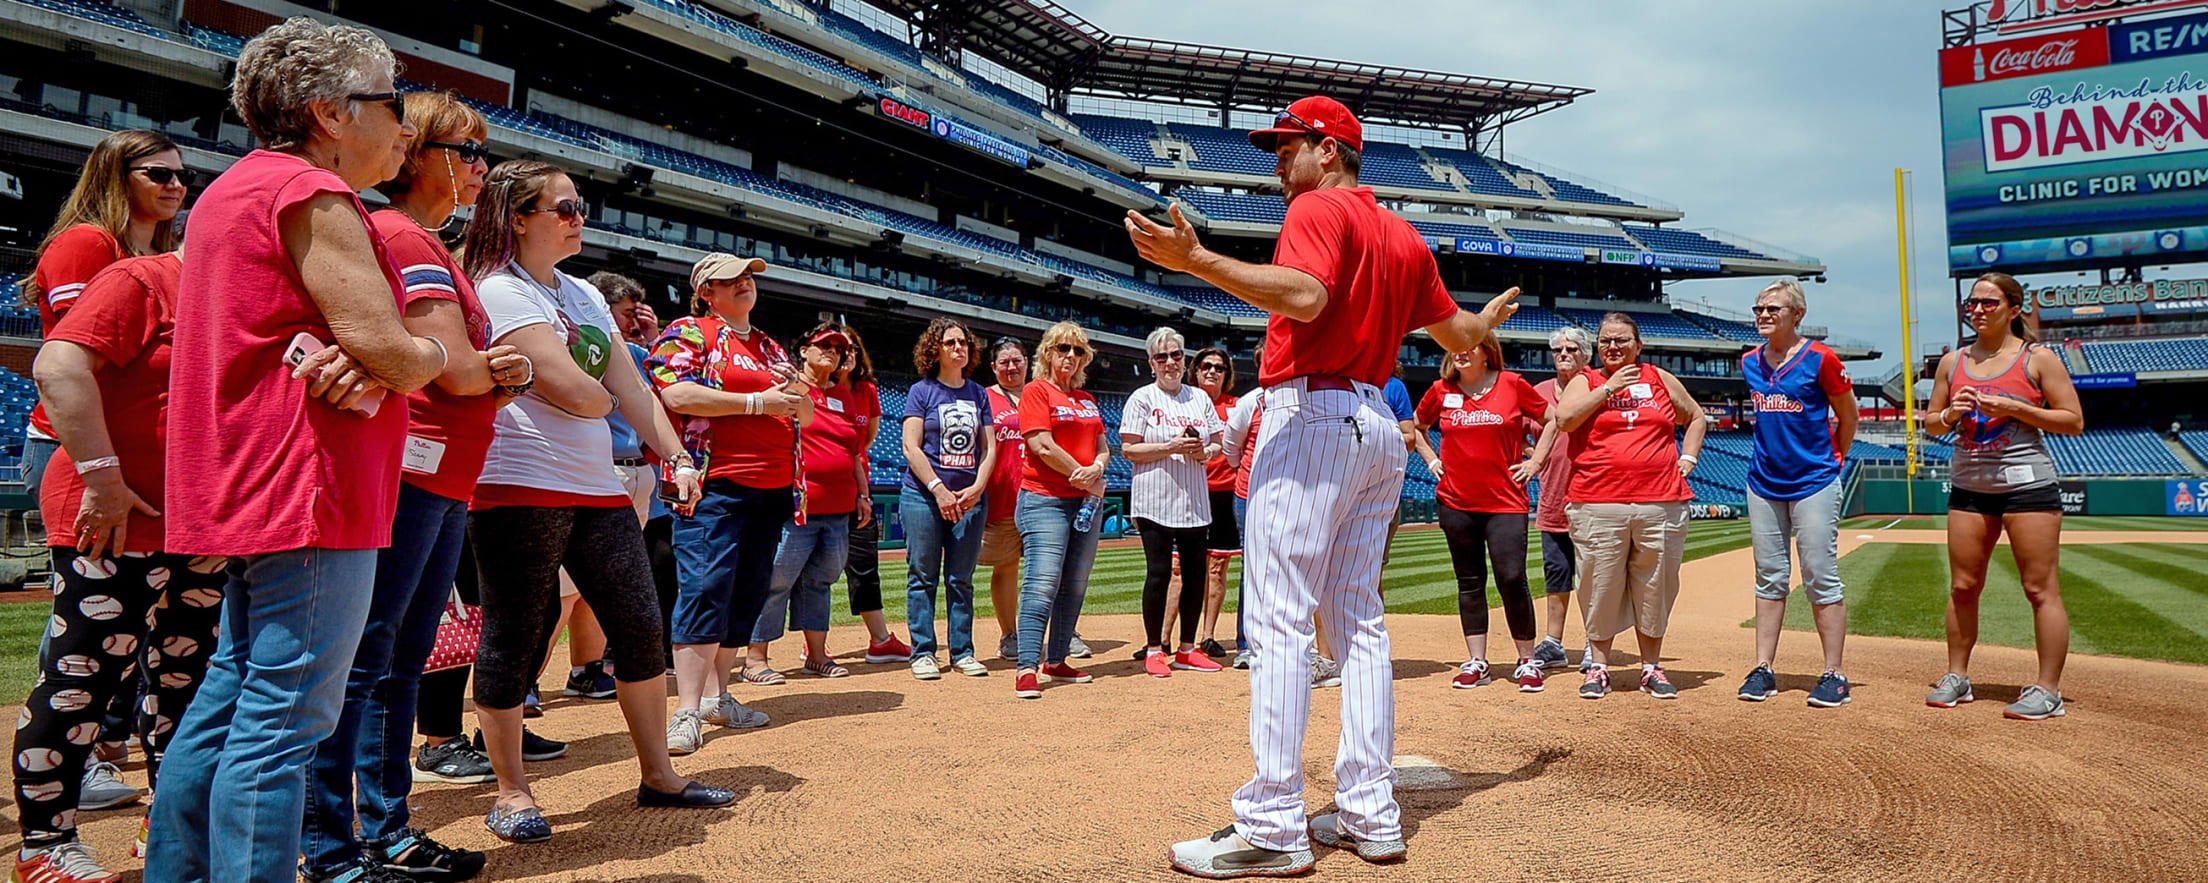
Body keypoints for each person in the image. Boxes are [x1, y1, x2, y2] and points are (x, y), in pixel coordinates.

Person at [1127, 95, 1517, 875]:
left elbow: (1306, 296)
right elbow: (1464, 337)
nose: (1277, 163)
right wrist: (1484, 317)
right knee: (1359, 621)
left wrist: (1196, 261)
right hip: (1375, 423)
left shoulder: (1317, 207)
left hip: (1309, 415)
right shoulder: (1404, 235)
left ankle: (1272, 824)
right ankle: (1371, 812)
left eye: (1286, 147)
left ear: (1327, 148)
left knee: (1277, 620)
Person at [146, 19, 450, 882]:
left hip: (247, 473)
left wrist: (373, 359)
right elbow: (393, 347)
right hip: (307, 479)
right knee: (284, 718)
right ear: (329, 112)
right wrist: (418, 357)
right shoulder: (310, 194)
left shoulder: (234, 188)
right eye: (390, 102)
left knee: (230, 695)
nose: (403, 125)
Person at [462, 162, 730, 844]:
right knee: (516, 634)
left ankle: (659, 773)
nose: (578, 215)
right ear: (518, 217)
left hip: (595, 484)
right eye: (563, 206)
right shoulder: (498, 290)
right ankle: (512, 791)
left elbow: (627, 391)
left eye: (580, 205)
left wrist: (675, 454)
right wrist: (595, 392)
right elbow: (588, 393)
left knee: (640, 625)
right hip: (517, 482)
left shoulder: (579, 291)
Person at [299, 91, 521, 883]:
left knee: (396, 658)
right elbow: (459, 372)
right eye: (465, 153)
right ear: (418, 154)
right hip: (416, 472)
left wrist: (489, 378)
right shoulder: (406, 236)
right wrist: (499, 376)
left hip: (436, 475)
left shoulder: (421, 240)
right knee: (369, 659)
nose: (477, 169)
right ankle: (334, 845)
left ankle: (383, 829)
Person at [16, 248, 221, 883]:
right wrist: (101, 477)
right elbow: (57, 365)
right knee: (85, 677)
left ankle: (168, 821)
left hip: (198, 517)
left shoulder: (248, 293)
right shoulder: (145, 278)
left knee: (187, 681)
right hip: (112, 510)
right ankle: (43, 846)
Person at [651, 251, 804, 743]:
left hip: (773, 486)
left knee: (745, 592)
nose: (743, 284)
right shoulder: (691, 331)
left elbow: (804, 411)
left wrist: (796, 396)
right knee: (704, 587)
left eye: (746, 277)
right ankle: (687, 710)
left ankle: (718, 699)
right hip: (716, 484)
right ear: (705, 293)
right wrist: (758, 402)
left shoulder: (768, 345)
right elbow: (676, 395)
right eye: (728, 279)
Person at [1922, 271, 2082, 721]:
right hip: (1970, 486)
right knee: (1962, 586)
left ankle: (2047, 690)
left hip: (2028, 487)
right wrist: (1950, 413)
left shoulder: (2038, 358)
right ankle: (1957, 676)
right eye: (1972, 303)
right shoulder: (1953, 363)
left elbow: (2073, 420)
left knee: (2039, 588)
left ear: (2014, 309)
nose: (1976, 310)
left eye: (1988, 303)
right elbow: (1931, 422)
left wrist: (2015, 408)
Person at [19, 129, 187, 503]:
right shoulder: (87, 242)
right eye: (159, 174)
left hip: (133, 442)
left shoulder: (167, 251)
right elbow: (78, 356)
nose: (175, 185)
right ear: (116, 175)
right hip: (77, 448)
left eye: (183, 176)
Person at [1551, 313, 1708, 702]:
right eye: (1605, 340)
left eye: (1622, 340)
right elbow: (1565, 419)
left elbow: (1697, 416)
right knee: (1599, 584)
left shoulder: (1659, 378)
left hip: (1660, 501)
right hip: (1598, 501)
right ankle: (1599, 667)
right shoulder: (1586, 380)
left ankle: (1651, 667)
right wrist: (1608, 390)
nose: (1613, 347)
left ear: (1638, 345)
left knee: (1655, 585)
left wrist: (1687, 458)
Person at [1736, 279, 1859, 708]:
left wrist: (1836, 458)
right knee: (1769, 576)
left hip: (1813, 480)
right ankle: (1764, 667)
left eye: (1773, 309)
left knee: (1820, 575)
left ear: (1797, 315)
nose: (1763, 316)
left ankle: (1833, 673)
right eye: (1759, 309)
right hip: (1764, 481)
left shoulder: (1821, 359)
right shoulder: (1749, 362)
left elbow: (1849, 414)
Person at [1411, 337, 1551, 692]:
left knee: (1511, 577)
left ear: (1487, 350)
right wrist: (1430, 459)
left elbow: (1553, 419)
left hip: (1505, 501)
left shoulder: (1512, 383)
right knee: (1469, 581)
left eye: (1469, 345)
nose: (1461, 352)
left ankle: (1527, 660)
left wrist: (1535, 461)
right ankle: (1477, 661)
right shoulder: (1440, 390)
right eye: (1455, 346)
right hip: (1456, 500)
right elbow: (1416, 427)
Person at [747, 324, 868, 680]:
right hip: (796, 504)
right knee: (776, 579)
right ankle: (755, 659)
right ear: (803, 350)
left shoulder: (843, 395)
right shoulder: (788, 386)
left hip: (838, 506)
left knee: (821, 581)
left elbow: (854, 451)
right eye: (824, 345)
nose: (832, 350)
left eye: (838, 347)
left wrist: (863, 494)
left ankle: (816, 656)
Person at [1011, 321, 1111, 700]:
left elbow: (1103, 446)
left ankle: (1057, 659)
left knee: (1075, 585)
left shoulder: (1087, 399)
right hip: (1045, 501)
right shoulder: (1037, 391)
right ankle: (1026, 667)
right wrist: (1080, 475)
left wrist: (1097, 469)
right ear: (1048, 353)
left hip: (1085, 503)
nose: (1070, 356)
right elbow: (1041, 446)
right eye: (1063, 349)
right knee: (1042, 583)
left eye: (1078, 351)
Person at [1123, 326, 1227, 677]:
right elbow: (1129, 449)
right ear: (1151, 362)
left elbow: (1218, 443)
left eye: (1176, 355)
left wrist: (1203, 452)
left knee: (1196, 575)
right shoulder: (1142, 398)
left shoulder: (1199, 398)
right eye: (1162, 357)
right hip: (1153, 498)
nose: (1170, 362)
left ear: (1185, 360)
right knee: (1159, 573)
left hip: (1194, 499)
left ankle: (1187, 648)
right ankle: (1155, 648)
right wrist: (1170, 446)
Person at [900, 319, 998, 680]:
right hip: (923, 497)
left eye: (964, 343)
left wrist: (976, 489)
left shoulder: (979, 394)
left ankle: (962, 651)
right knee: (922, 576)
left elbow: (989, 448)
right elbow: (911, 447)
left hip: (969, 499)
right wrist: (939, 489)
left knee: (961, 578)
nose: (959, 348)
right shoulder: (922, 391)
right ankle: (923, 652)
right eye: (951, 342)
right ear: (935, 349)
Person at [834, 325, 915, 663]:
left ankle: (880, 640)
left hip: (860, 489)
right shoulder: (811, 388)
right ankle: (812, 643)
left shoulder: (866, 389)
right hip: (819, 491)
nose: (847, 353)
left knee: (865, 566)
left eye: (852, 347)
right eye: (839, 347)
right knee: (808, 569)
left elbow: (866, 441)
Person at [1529, 327, 1593, 671]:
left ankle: (1591, 642)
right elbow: (1514, 430)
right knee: (1557, 575)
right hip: (1552, 498)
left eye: (1571, 348)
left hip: (1591, 499)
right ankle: (1553, 643)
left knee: (1592, 577)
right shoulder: (1539, 392)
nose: (1564, 354)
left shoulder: (1595, 388)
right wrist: (1533, 456)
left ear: (1586, 355)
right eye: (1558, 349)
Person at [978, 337, 1029, 661]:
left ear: (1027, 362)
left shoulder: (1040, 395)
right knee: (1006, 566)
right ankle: (1009, 634)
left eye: (1017, 360)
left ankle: (1065, 631)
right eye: (1004, 362)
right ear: (994, 367)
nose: (1011, 367)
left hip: (1042, 496)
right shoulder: (984, 397)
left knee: (1051, 569)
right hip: (1001, 496)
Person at [1191, 346, 1241, 659]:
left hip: (1225, 492)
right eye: (1206, 366)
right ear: (1195, 371)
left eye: (1219, 367)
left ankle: (1207, 635)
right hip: (1189, 490)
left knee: (1217, 567)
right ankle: (1166, 637)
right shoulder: (1183, 402)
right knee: (1178, 567)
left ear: (1227, 374)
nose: (1212, 371)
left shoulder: (1237, 406)